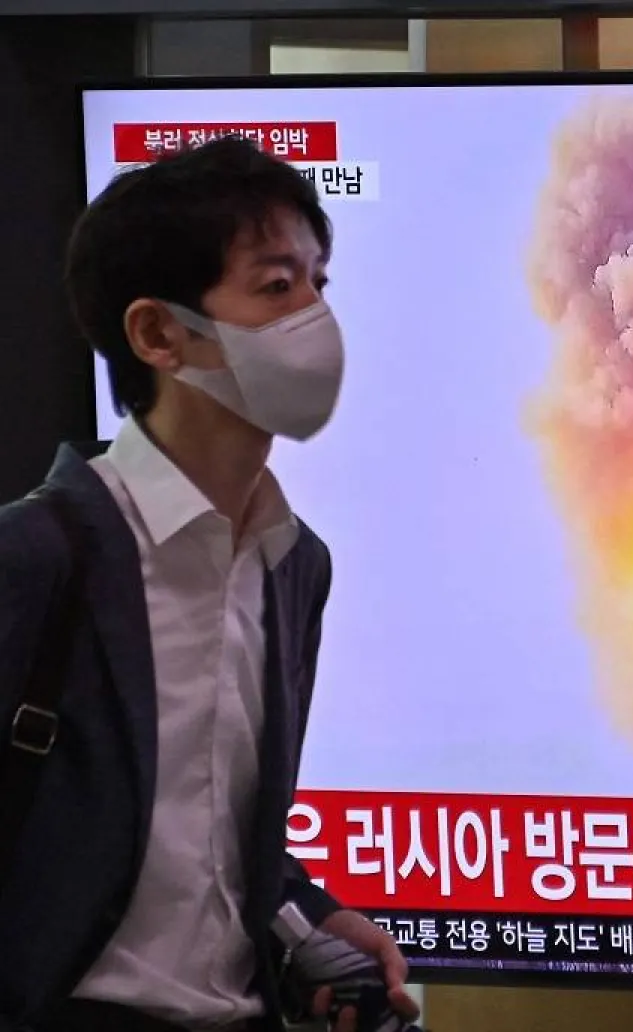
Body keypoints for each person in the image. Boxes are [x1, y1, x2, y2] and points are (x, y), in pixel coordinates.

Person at [0, 137, 418, 1032]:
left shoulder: (294, 564)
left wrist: (308, 917)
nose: (315, 317)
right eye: (276, 286)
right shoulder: (35, 556)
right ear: (157, 334)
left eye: (319, 284)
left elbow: (213, 832)